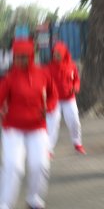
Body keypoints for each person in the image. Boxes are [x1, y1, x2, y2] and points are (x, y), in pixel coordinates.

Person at [0, 39, 58, 209]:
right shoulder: (10, 78)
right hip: (12, 128)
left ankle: (34, 199)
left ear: (31, 56)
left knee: (40, 164)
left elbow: (53, 95)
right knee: (14, 167)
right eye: (17, 57)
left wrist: (49, 108)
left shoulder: (43, 74)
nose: (19, 60)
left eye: (23, 57)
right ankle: (4, 203)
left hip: (37, 127)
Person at [46, 41, 86, 156]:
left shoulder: (72, 65)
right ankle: (48, 149)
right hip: (54, 100)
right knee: (52, 123)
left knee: (74, 121)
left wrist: (75, 87)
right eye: (54, 54)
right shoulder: (49, 67)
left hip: (69, 98)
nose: (56, 56)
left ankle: (77, 143)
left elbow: (76, 80)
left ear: (64, 54)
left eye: (58, 54)